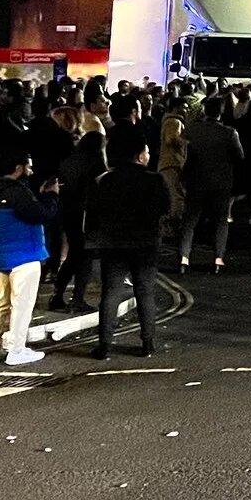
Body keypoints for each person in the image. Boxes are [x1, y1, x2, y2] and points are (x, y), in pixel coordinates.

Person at [89, 125, 174, 360]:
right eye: (146, 151)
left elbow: (94, 210)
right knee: (145, 290)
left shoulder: (105, 180)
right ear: (139, 155)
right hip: (145, 242)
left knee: (111, 293)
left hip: (113, 242)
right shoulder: (154, 180)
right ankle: (147, 342)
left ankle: (104, 344)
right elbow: (166, 208)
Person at [0, 148, 55, 366]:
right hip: (25, 254)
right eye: (28, 166)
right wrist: (51, 195)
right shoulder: (17, 191)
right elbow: (41, 214)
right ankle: (16, 350)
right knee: (22, 304)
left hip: (1, 255)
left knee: (0, 301)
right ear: (18, 168)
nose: (31, 171)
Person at [177, 101, 243, 274]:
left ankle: (184, 258)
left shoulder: (192, 130)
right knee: (220, 220)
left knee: (190, 220)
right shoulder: (229, 133)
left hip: (196, 180)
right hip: (221, 181)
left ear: (204, 111)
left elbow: (186, 156)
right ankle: (218, 259)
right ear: (221, 113)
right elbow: (239, 156)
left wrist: (183, 177)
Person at [51, 115, 105, 310]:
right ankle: (78, 297)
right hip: (86, 214)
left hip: (67, 211)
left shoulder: (68, 161)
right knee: (85, 256)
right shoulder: (96, 164)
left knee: (74, 253)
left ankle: (57, 294)